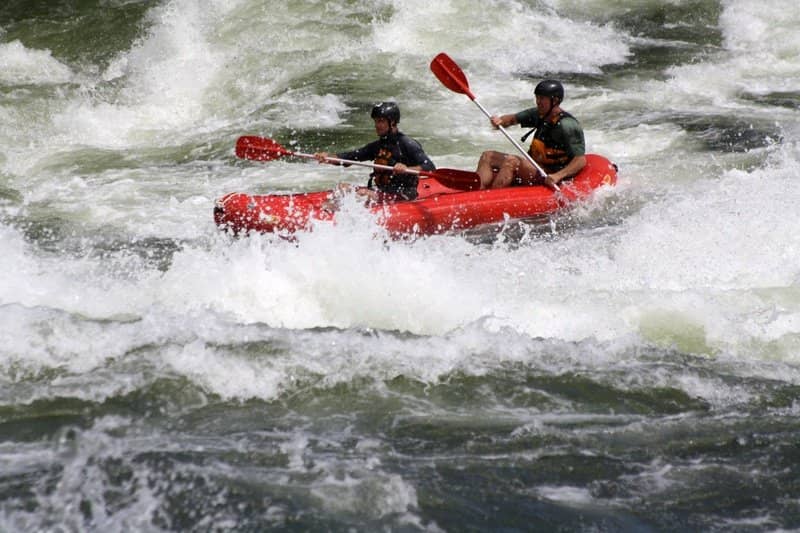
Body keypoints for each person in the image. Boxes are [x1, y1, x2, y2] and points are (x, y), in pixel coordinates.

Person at [314, 101, 435, 203]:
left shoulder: (407, 143)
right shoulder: (378, 146)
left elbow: (429, 167)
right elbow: (351, 157)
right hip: (382, 192)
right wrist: (328, 158)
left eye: (381, 121)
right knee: (342, 188)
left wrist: (407, 168)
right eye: (376, 121)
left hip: (403, 195)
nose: (377, 125)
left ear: (392, 122)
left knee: (362, 194)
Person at [476, 79, 586, 190]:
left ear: (555, 100)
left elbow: (580, 160)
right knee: (488, 156)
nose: (538, 101)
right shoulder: (539, 114)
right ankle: (476, 192)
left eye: (542, 98)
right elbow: (512, 119)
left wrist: (558, 176)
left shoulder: (567, 125)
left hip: (549, 174)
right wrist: (500, 121)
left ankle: (493, 199)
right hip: (534, 167)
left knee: (512, 161)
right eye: (537, 97)